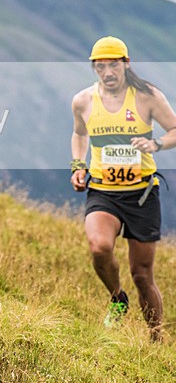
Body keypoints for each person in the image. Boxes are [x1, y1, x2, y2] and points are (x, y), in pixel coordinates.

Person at [70, 36, 176, 341]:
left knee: (142, 275)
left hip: (141, 193)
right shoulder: (83, 101)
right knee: (99, 248)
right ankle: (117, 297)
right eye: (101, 67)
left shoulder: (147, 97)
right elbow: (79, 135)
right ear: (94, 68)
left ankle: (156, 339)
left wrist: (156, 143)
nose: (108, 73)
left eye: (114, 65)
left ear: (126, 64)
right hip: (103, 191)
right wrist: (78, 165)